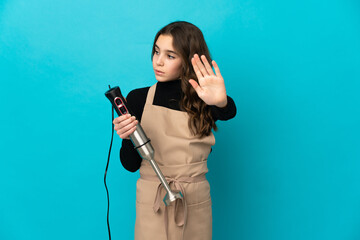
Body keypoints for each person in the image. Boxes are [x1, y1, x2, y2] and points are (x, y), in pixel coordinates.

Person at [113, 21, 236, 240]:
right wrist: (127, 137)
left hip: (193, 200)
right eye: (156, 51)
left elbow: (229, 112)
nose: (158, 61)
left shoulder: (203, 98)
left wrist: (220, 102)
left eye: (170, 56)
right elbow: (129, 165)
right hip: (152, 200)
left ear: (188, 60)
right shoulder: (137, 98)